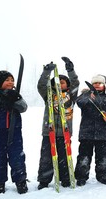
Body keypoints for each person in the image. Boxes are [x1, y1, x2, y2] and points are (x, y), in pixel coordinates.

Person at [37, 57, 79, 190]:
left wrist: (70, 70)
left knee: (64, 157)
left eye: (63, 82)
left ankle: (65, 178)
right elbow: (41, 86)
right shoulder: (48, 96)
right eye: (57, 83)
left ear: (67, 85)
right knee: (46, 158)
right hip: (49, 132)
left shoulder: (71, 96)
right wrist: (46, 73)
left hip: (64, 133)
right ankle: (44, 180)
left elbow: (76, 83)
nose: (60, 85)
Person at [74, 74, 106, 186]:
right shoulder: (85, 95)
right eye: (94, 83)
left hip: (102, 134)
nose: (97, 85)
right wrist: (87, 96)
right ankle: (81, 176)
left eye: (100, 83)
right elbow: (79, 103)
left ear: (105, 85)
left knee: (102, 157)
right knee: (84, 156)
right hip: (86, 133)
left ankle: (103, 175)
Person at [0, 70, 28, 194]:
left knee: (17, 156)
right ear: (0, 82)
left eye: (12, 80)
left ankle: (20, 181)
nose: (11, 82)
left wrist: (15, 99)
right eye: (7, 80)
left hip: (14, 131)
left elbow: (23, 107)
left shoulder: (15, 94)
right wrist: (1, 96)